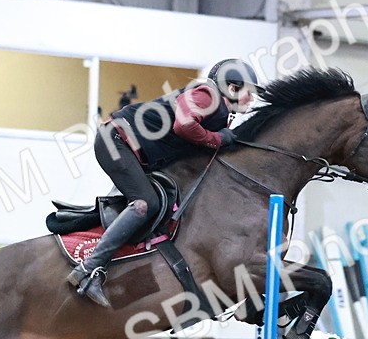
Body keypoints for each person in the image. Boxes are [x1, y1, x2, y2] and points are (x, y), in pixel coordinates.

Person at [67, 58, 260, 307]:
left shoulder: (217, 111)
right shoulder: (207, 95)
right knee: (144, 204)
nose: (252, 99)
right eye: (249, 93)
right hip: (115, 141)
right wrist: (218, 139)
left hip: (128, 147)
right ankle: (88, 269)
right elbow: (185, 125)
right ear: (232, 88)